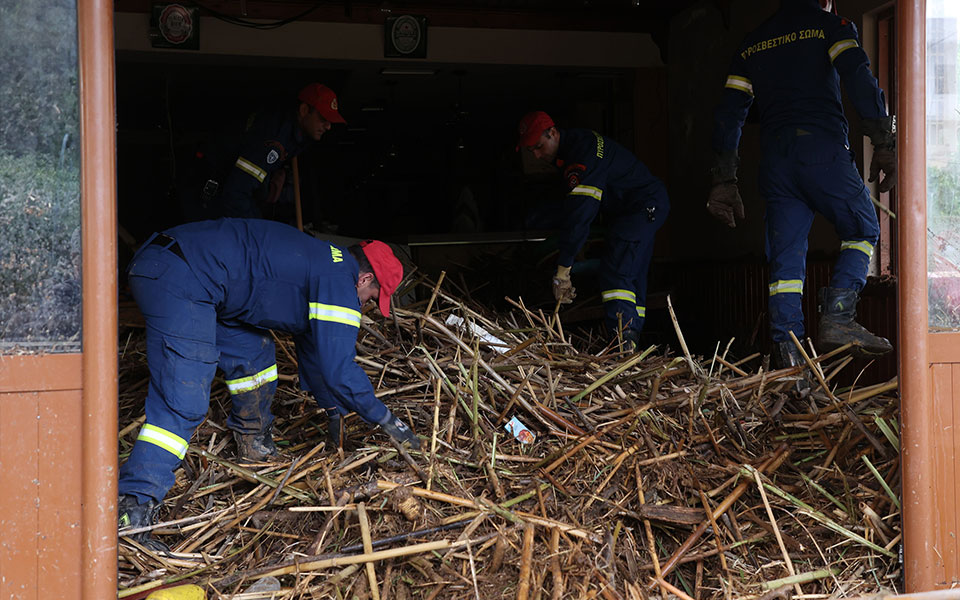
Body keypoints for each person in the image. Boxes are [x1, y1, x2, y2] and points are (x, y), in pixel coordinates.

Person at [117, 218, 419, 551]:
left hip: (206, 283)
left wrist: (334, 409)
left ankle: (254, 446)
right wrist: (387, 420)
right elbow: (340, 370)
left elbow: (318, 354)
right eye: (371, 298)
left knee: (255, 359)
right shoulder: (338, 281)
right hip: (182, 275)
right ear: (364, 279)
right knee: (184, 400)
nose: (366, 306)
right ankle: (133, 508)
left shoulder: (324, 265)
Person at [706, 0, 896, 369]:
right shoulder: (832, 26)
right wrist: (884, 143)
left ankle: (790, 363)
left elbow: (729, 113)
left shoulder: (752, 43)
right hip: (821, 151)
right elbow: (858, 77)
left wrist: (724, 179)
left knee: (785, 266)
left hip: (776, 164)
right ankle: (838, 316)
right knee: (862, 228)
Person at [516, 111, 669, 350]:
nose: (536, 155)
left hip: (640, 208)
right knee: (632, 274)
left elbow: (580, 215)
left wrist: (563, 270)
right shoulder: (578, 146)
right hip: (644, 206)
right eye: (530, 150)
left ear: (553, 133)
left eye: (538, 146)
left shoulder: (581, 156)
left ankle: (622, 344)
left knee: (616, 272)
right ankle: (631, 340)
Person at [180, 82, 345, 221]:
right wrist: (257, 231)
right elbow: (236, 193)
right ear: (303, 110)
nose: (328, 126)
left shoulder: (295, 133)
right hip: (207, 192)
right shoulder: (273, 137)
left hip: (228, 190)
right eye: (323, 118)